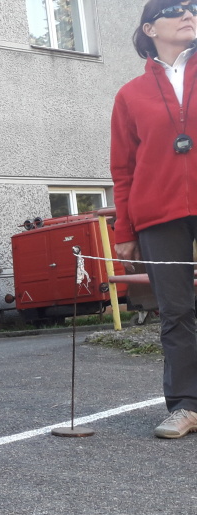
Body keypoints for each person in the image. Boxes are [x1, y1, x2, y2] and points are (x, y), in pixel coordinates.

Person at [111, 0, 197, 438]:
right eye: (175, 8)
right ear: (149, 28)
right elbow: (123, 168)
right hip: (158, 216)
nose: (188, 13)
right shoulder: (130, 94)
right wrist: (123, 229)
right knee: (176, 312)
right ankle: (185, 406)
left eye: (193, 7)